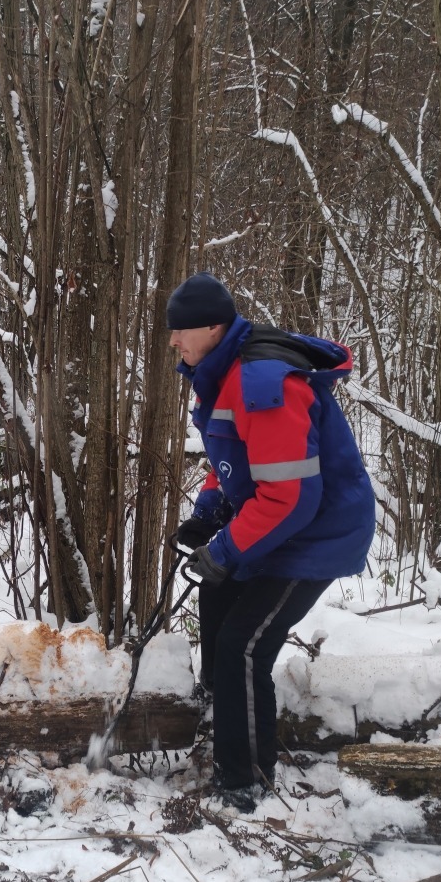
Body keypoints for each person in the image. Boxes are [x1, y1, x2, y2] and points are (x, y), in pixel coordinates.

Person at [168, 272, 374, 813]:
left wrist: (226, 550)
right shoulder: (222, 373)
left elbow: (289, 498)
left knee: (246, 644)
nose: (173, 342)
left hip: (316, 535)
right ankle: (224, 714)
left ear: (213, 327)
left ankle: (245, 780)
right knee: (216, 598)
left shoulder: (264, 384)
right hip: (280, 524)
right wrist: (207, 515)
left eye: (180, 331)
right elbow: (234, 461)